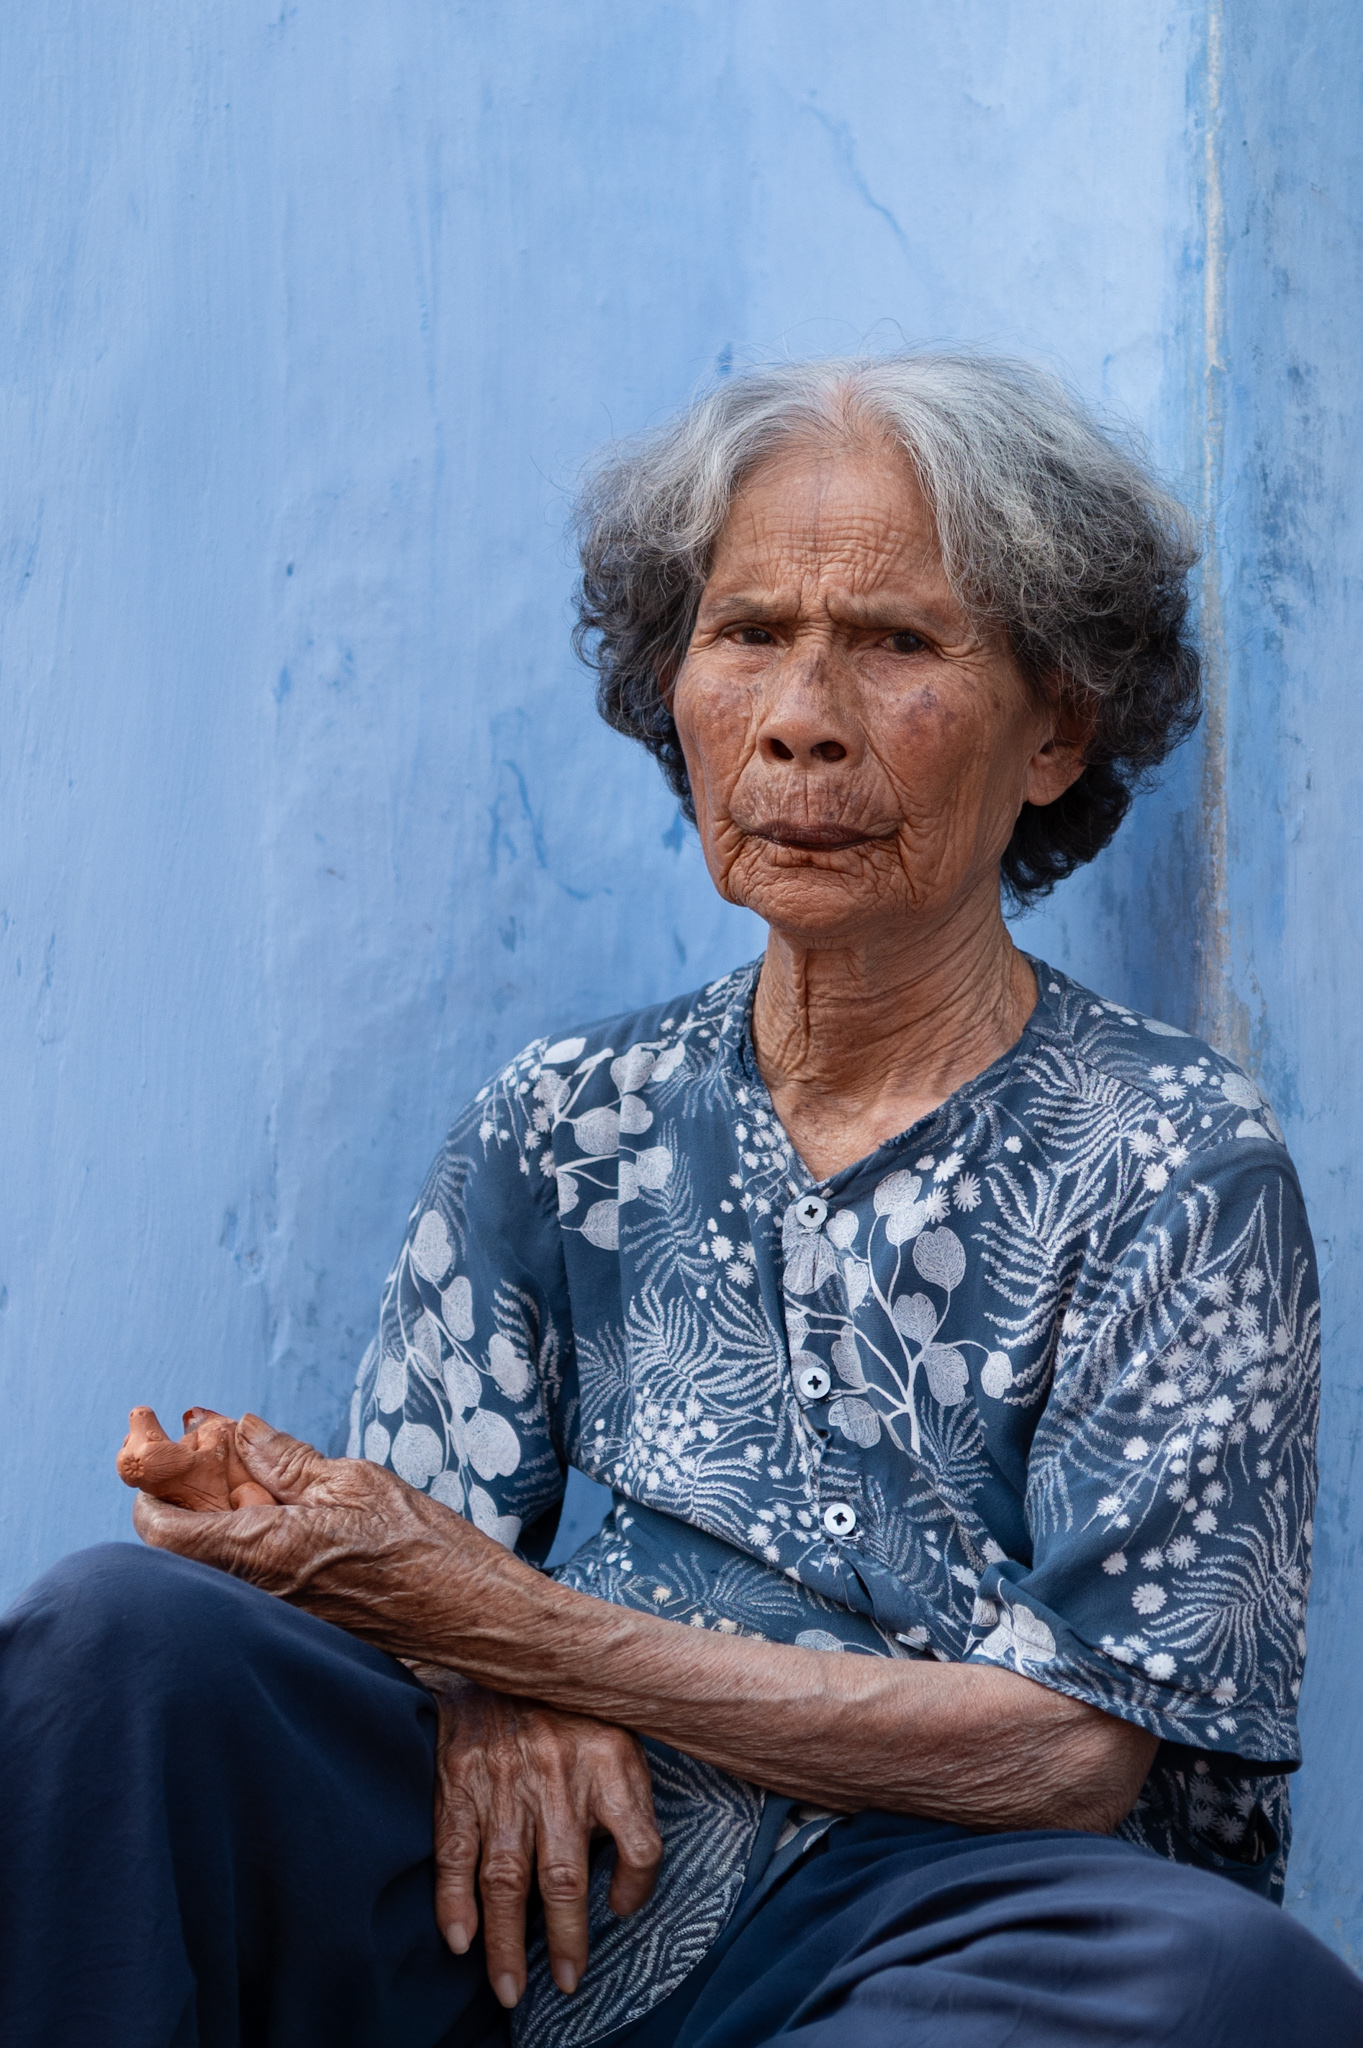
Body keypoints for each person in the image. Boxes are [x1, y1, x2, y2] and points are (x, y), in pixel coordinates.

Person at [3, 353, 1360, 2048]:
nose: (800, 714)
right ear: (675, 689)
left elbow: (1070, 1751)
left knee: (1225, 1988)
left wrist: (535, 1638)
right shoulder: (561, 1123)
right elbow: (415, 1597)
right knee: (115, 1639)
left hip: (920, 1902)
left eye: (897, 642)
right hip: (537, 1880)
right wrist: (488, 1660)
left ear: (1057, 730)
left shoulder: (1175, 1160)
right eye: (745, 634)